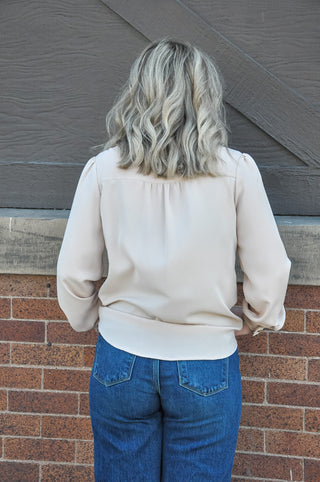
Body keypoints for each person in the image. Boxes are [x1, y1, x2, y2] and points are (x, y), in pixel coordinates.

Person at [57, 39, 291, 481]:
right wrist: (256, 318)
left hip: (121, 361)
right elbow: (272, 269)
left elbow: (73, 272)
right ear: (205, 96)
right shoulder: (236, 170)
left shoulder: (104, 169)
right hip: (206, 361)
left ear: (138, 93)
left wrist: (91, 320)